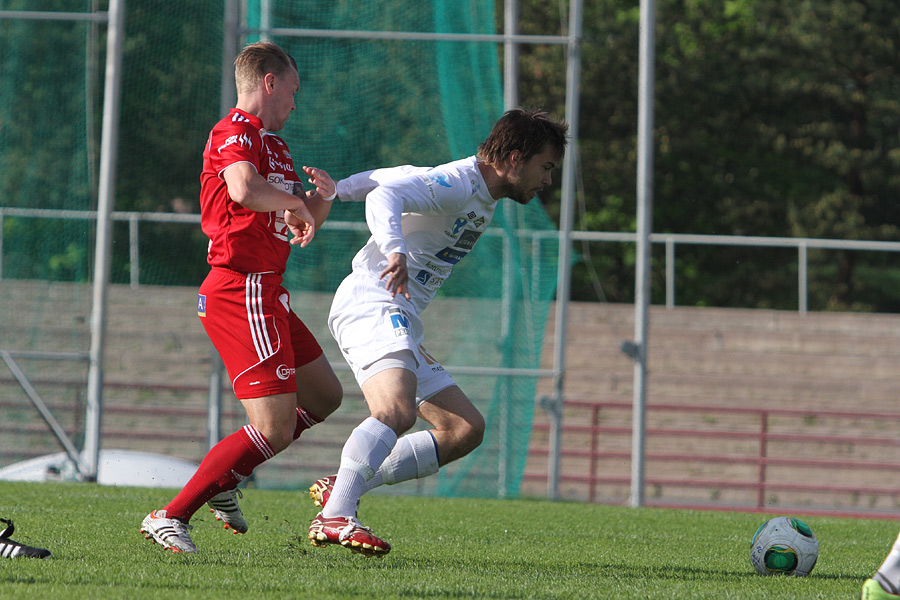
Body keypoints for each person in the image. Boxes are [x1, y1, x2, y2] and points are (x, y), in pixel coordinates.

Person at [305, 108, 569, 556]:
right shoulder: (461, 184)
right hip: (373, 302)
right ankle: (336, 514)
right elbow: (384, 196)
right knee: (394, 410)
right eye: (544, 167)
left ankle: (346, 487)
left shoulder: (472, 189)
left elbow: (398, 174)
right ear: (513, 157)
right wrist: (394, 250)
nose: (547, 181)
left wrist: (341, 189)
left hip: (398, 314)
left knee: (464, 428)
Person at [140, 41, 342, 554]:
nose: (295, 104)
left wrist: (320, 202)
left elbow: (296, 223)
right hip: (240, 288)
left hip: (270, 289)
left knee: (324, 396)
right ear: (269, 82)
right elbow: (243, 190)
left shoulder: (276, 146)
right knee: (272, 426)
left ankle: (226, 478)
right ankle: (169, 515)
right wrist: (296, 202)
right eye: (292, 91)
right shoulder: (233, 132)